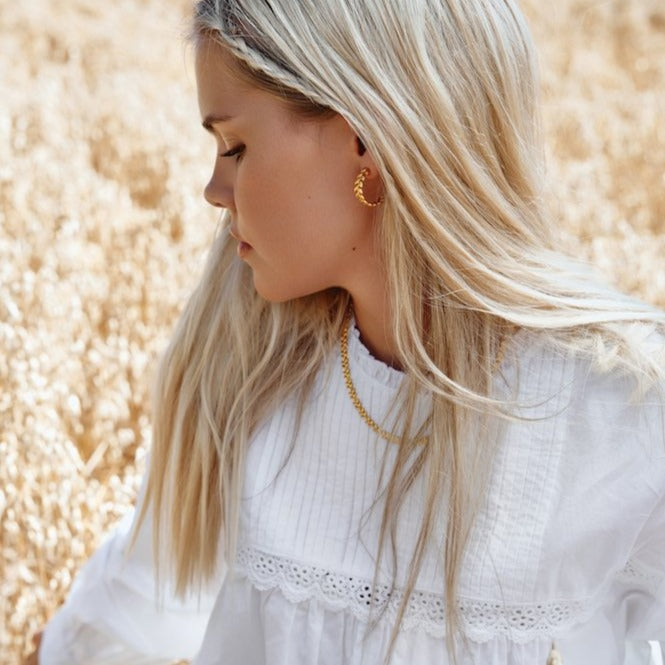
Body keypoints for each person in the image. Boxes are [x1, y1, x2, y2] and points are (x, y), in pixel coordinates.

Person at [27, 1, 665, 664]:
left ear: (363, 139)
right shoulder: (253, 371)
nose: (214, 188)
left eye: (235, 147)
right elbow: (128, 614)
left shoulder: (626, 409)